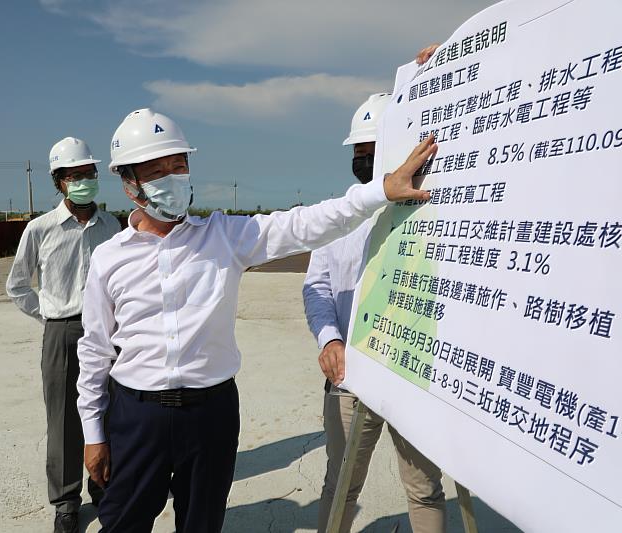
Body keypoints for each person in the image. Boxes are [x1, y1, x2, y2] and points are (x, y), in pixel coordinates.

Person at [76, 106, 437, 532]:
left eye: (179, 166)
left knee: (202, 524)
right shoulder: (109, 259)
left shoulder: (226, 237)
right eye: (157, 171)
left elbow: (305, 224)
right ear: (128, 184)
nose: (173, 179)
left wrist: (380, 191)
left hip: (211, 415)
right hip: (137, 416)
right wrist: (93, 432)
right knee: (123, 523)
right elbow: (95, 350)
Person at [303, 93, 446, 533]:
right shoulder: (338, 215)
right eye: (358, 155)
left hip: (412, 373)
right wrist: (329, 338)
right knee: (340, 485)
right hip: (350, 377)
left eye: (372, 153)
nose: (363, 163)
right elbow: (317, 287)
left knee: (424, 490)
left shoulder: (433, 209)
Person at [6, 136, 120, 533]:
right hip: (63, 330)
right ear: (59, 183)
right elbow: (17, 285)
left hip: (110, 331)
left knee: (110, 410)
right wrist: (51, 317)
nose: (85, 181)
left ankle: (103, 483)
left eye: (90, 174)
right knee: (64, 419)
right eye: (76, 176)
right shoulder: (41, 229)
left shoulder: (112, 225)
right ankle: (67, 500)